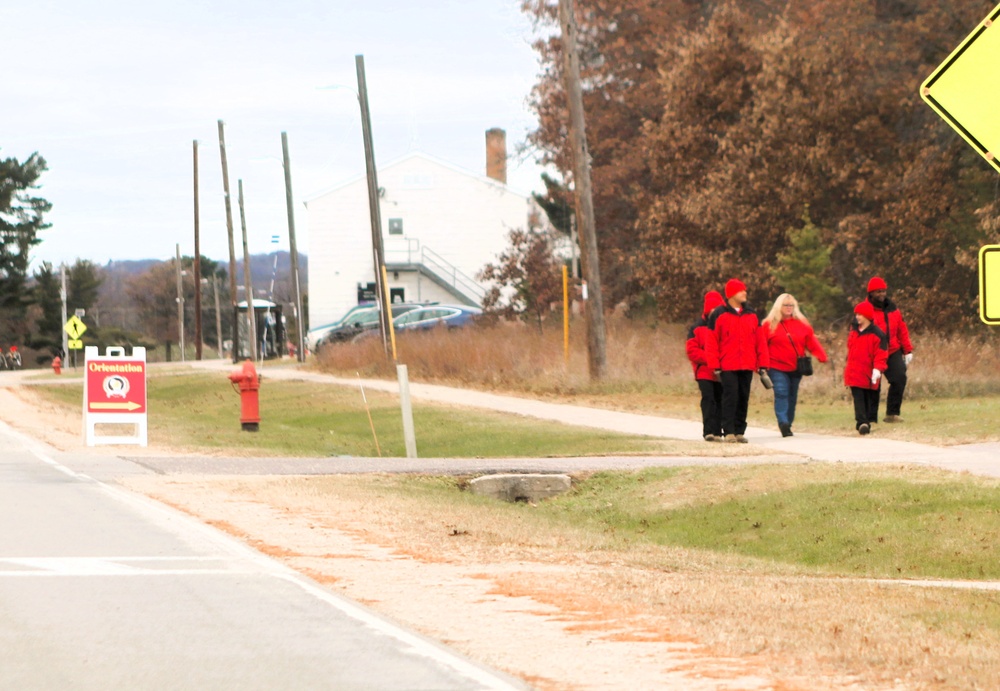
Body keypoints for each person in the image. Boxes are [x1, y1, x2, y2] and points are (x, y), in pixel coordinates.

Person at [707, 279, 769, 443]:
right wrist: (714, 364)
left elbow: (760, 340)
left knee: (743, 397)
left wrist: (763, 363)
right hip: (727, 364)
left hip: (747, 363)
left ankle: (740, 431)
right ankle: (729, 431)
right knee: (730, 397)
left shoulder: (752, 314)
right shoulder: (718, 314)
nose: (745, 293)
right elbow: (712, 341)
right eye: (741, 290)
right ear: (731, 294)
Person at [761, 293, 828, 437]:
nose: (789, 307)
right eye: (786, 305)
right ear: (779, 306)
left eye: (791, 305)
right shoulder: (768, 325)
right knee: (781, 392)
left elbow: (811, 341)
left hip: (796, 367)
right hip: (776, 366)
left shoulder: (802, 324)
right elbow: (761, 346)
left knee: (792, 395)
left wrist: (821, 355)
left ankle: (788, 423)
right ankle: (783, 422)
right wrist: (761, 365)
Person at [866, 276, 913, 422]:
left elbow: (901, 329)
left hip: (892, 350)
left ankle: (892, 414)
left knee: (899, 378)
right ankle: (870, 418)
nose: (881, 294)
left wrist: (907, 350)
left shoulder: (893, 309)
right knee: (873, 385)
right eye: (878, 291)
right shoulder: (865, 310)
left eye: (883, 291)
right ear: (871, 293)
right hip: (872, 353)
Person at [686, 291, 726, 442]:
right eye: (712, 310)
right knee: (708, 399)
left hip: (722, 371)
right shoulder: (697, 328)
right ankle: (708, 431)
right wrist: (711, 359)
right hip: (704, 371)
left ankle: (718, 431)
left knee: (720, 399)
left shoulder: (725, 326)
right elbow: (692, 350)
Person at [844, 301, 888, 435]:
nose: (857, 317)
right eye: (856, 314)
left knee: (869, 398)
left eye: (860, 314)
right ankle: (862, 423)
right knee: (858, 398)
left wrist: (878, 369)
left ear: (867, 316)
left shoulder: (878, 334)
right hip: (854, 371)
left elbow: (881, 354)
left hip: (869, 373)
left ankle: (867, 421)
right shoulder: (853, 330)